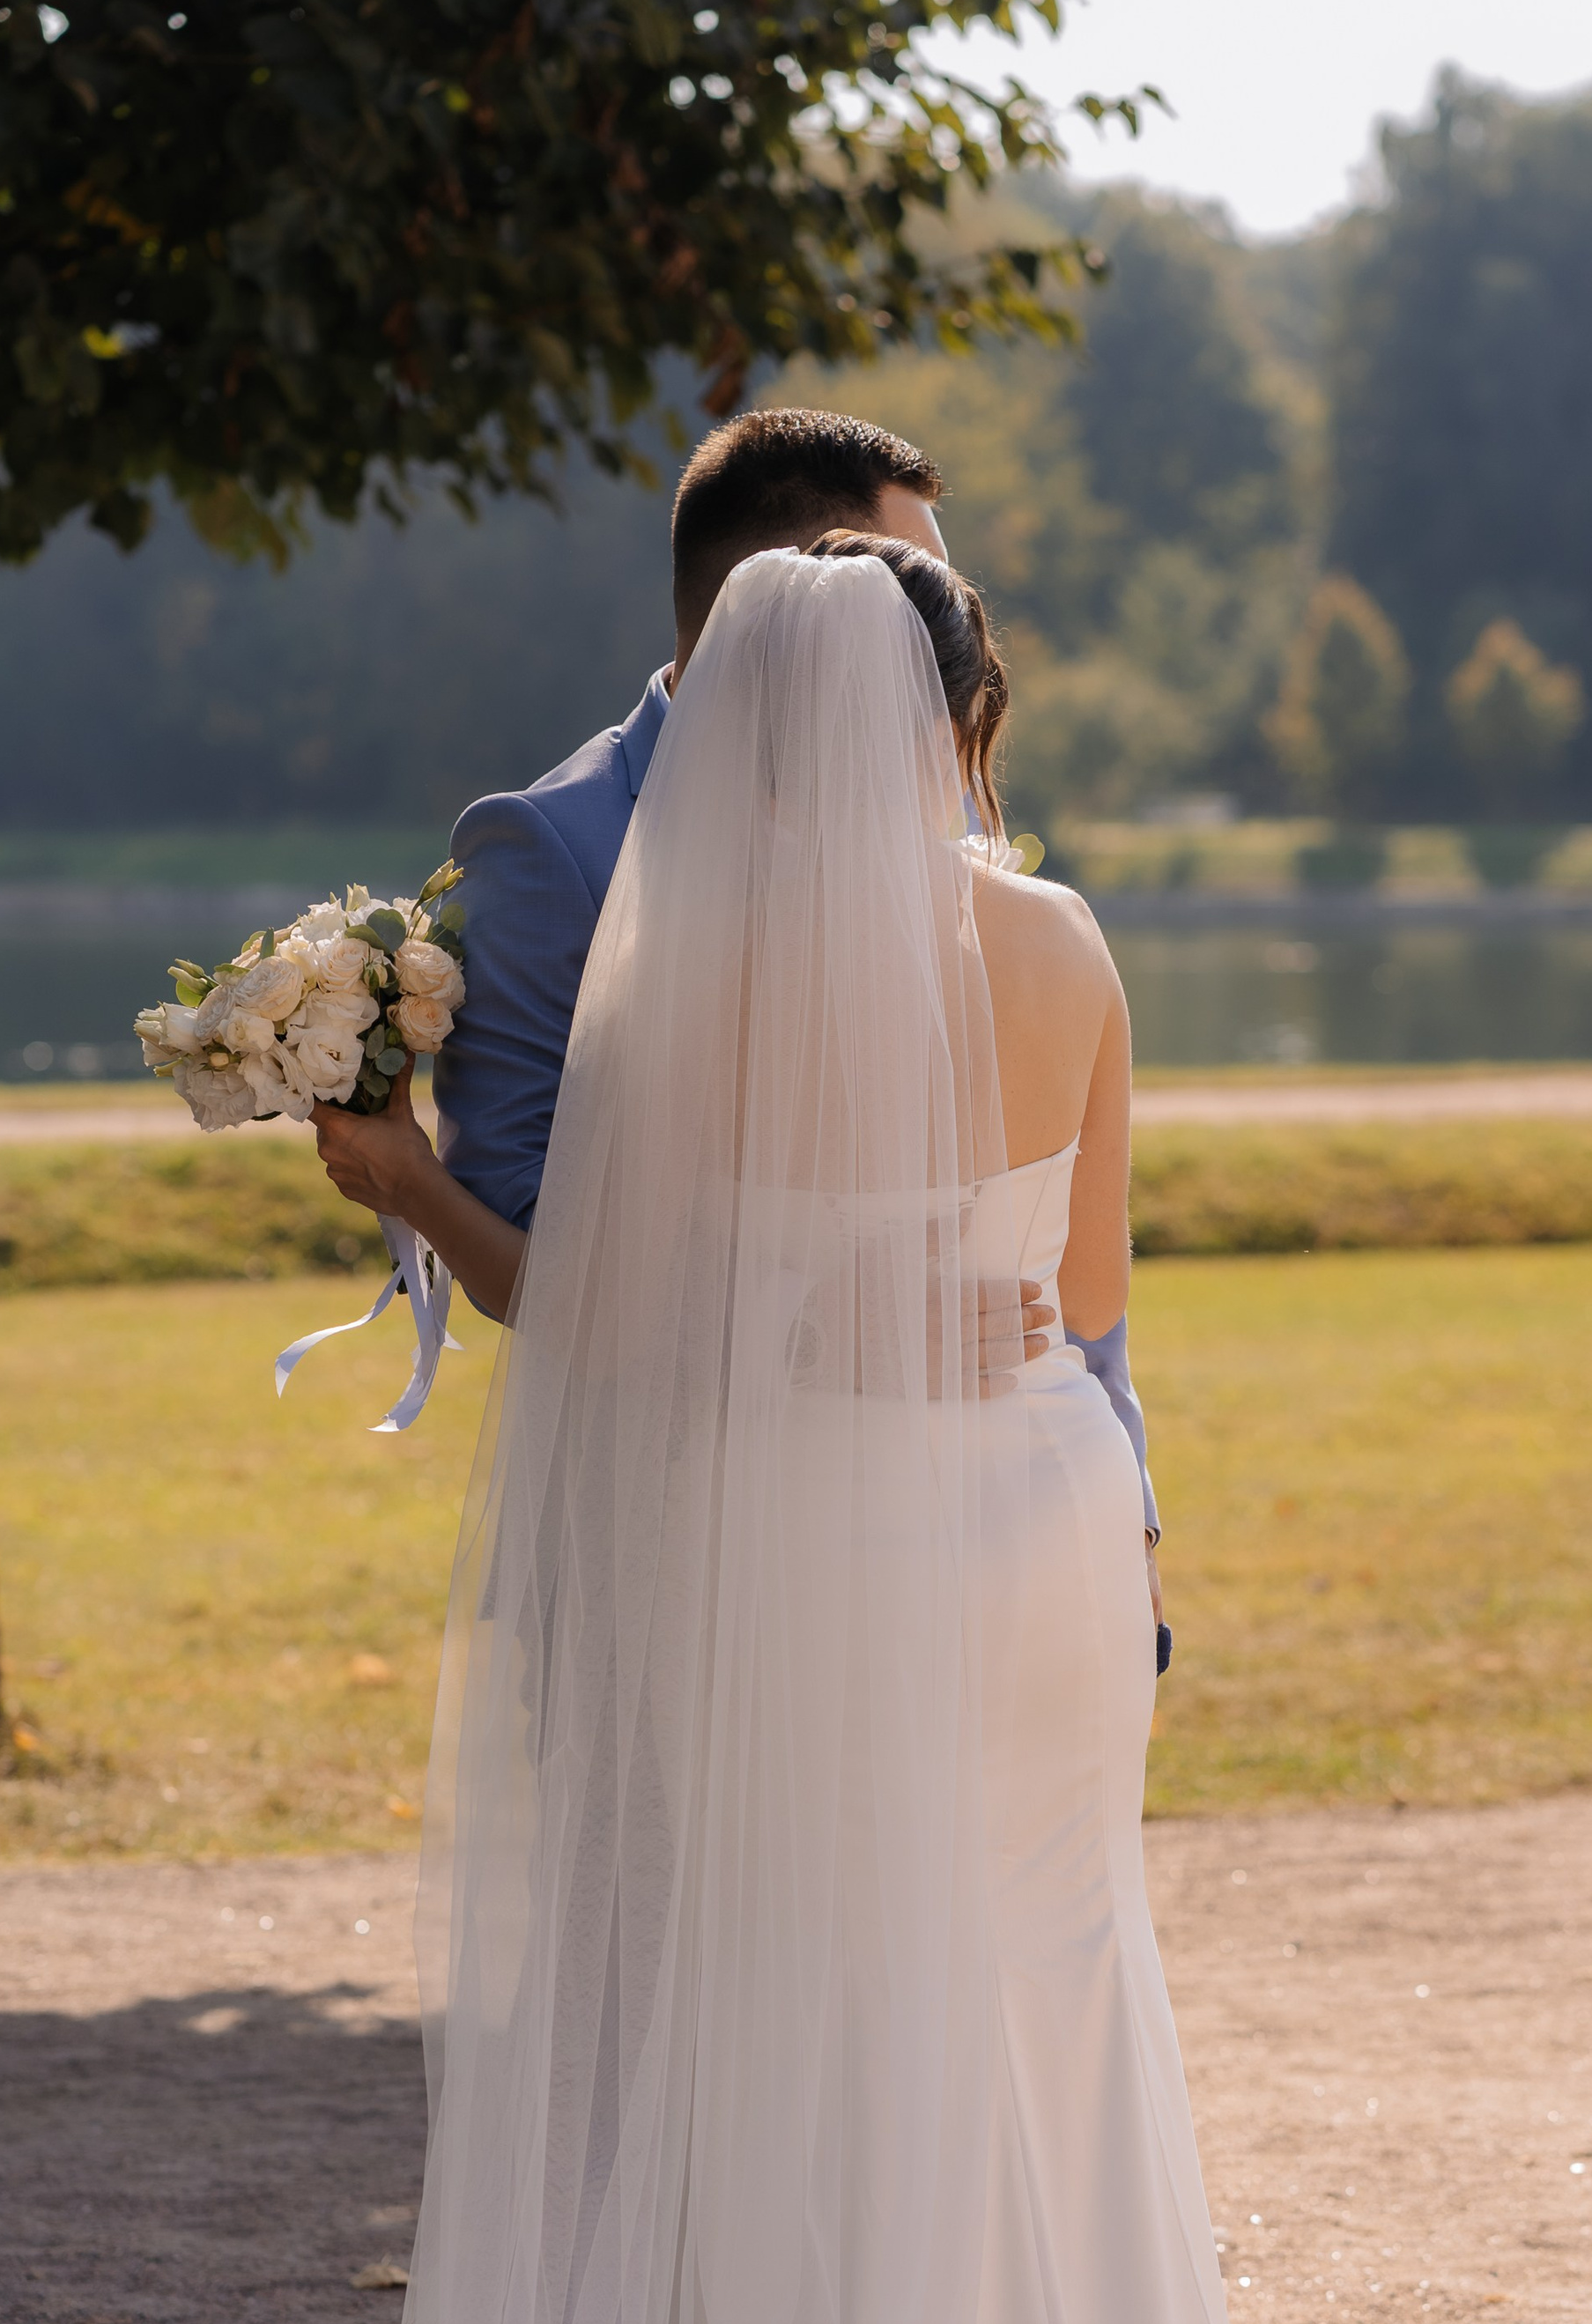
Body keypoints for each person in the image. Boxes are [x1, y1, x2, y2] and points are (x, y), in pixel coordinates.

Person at [108, 545, 1489, 2324]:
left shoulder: (688, 970)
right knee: (1049, 2032)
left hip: (826, 1520)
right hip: (1034, 1519)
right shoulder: (1063, 941)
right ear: (957, 718)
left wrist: (411, 1178)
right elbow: (1090, 1299)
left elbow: (623, 1321)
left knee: (826, 2045)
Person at [304, 406, 1159, 1624]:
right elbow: (550, 1254)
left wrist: (1133, 1513)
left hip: (929, 1547)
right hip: (703, 1570)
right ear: (795, 594)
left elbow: (1082, 1326)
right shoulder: (554, 846)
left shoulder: (720, 948)